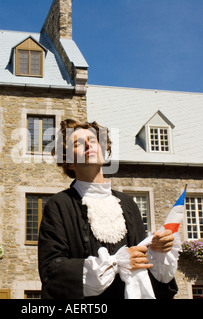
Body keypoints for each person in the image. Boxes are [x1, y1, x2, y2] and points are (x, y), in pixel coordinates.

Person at [38, 119, 178, 299]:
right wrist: (115, 263)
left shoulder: (128, 204)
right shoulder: (58, 205)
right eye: (78, 143)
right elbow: (52, 271)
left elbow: (144, 267)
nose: (88, 144)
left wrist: (157, 251)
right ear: (69, 162)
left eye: (93, 140)